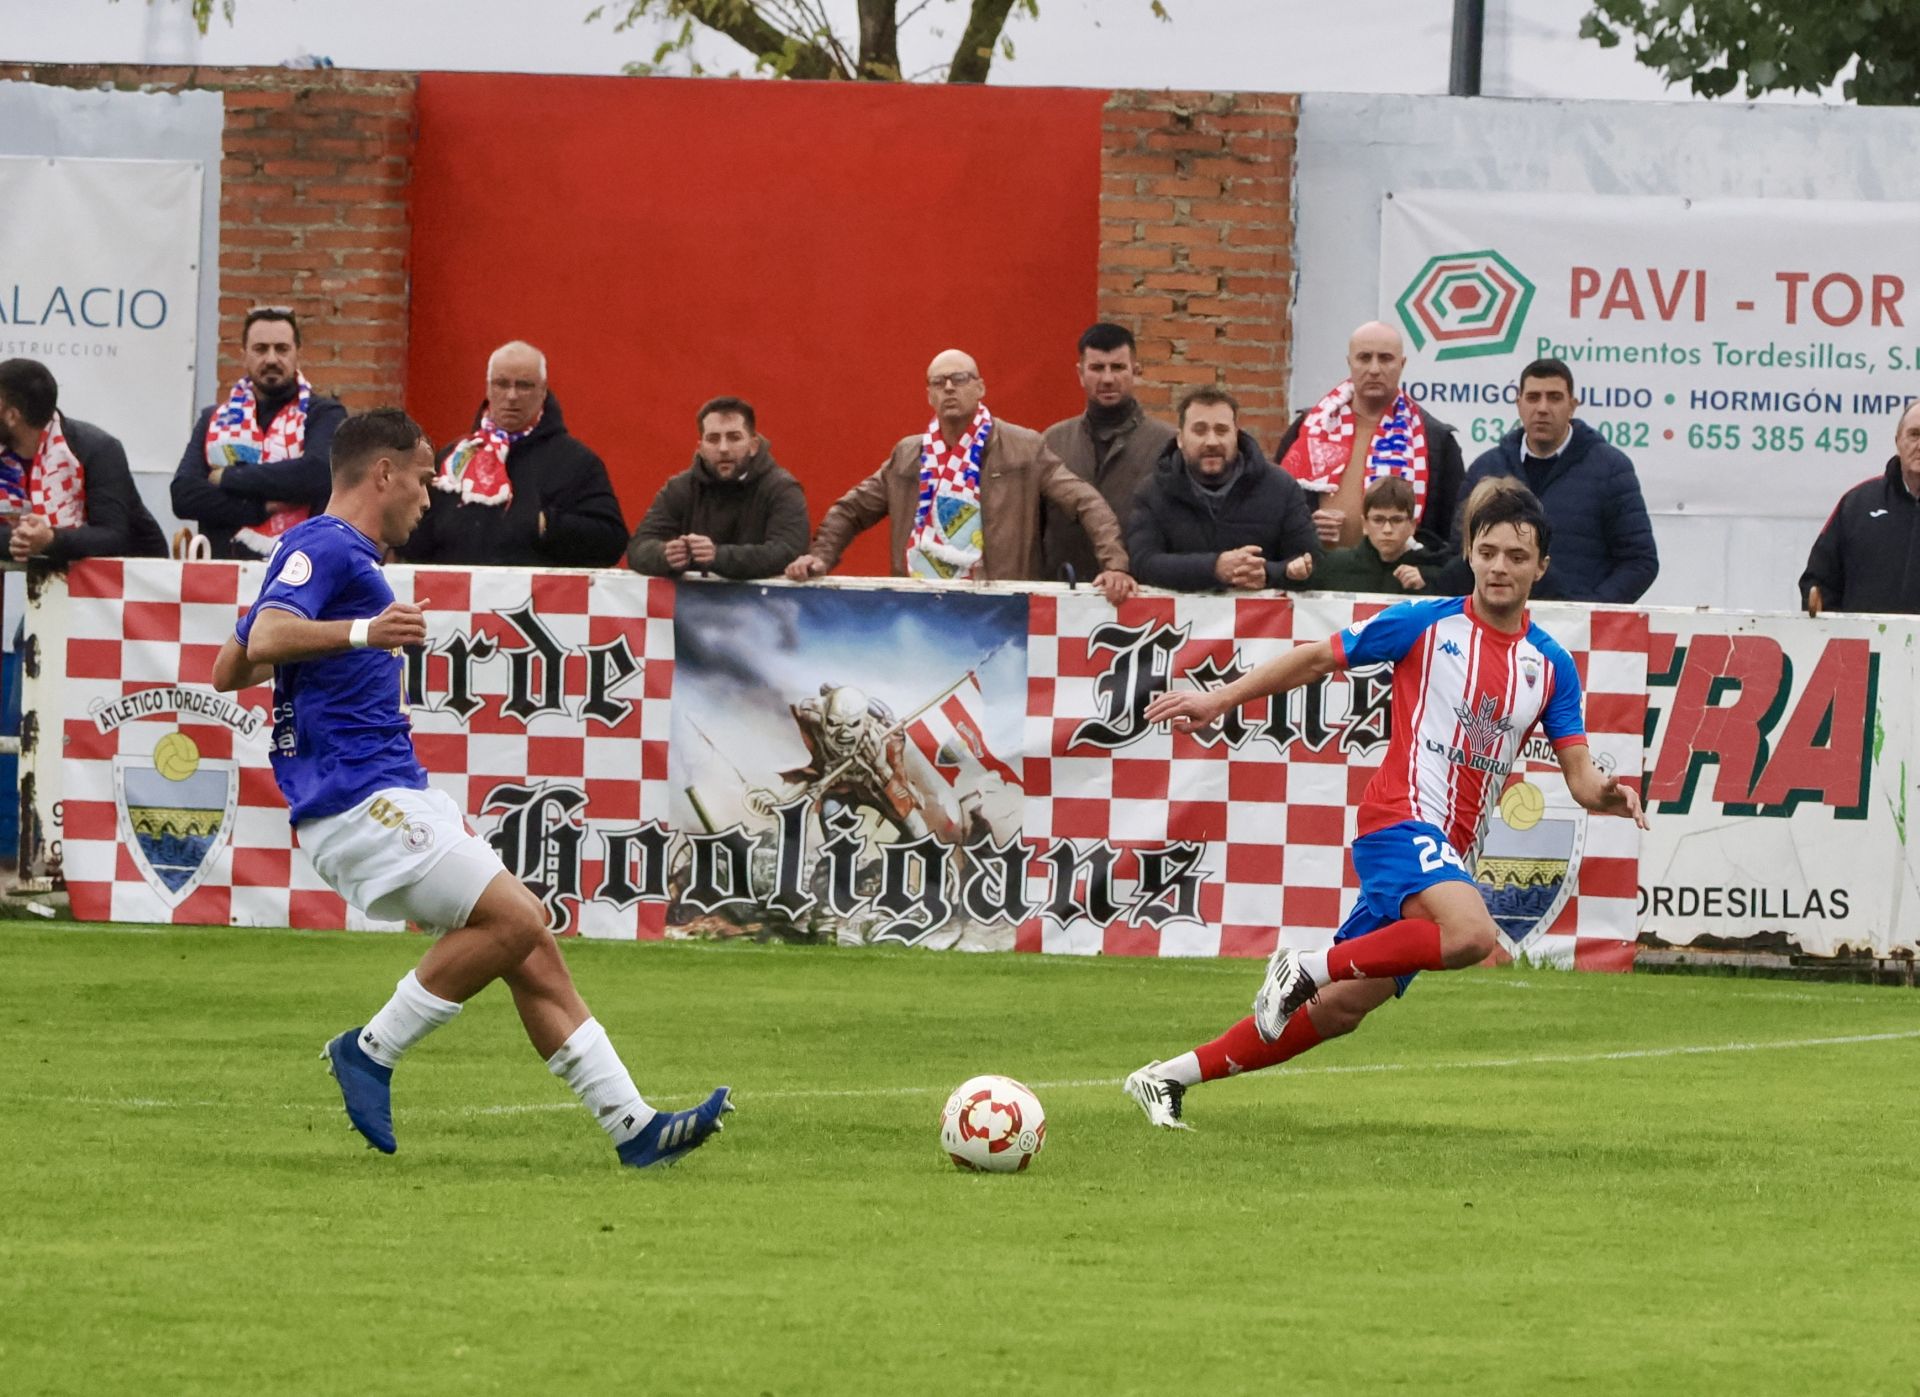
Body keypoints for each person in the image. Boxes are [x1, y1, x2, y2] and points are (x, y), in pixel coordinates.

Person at [209, 407, 730, 1168]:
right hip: (358, 796)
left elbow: (232, 666)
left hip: (384, 792)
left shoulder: (330, 553)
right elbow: (263, 641)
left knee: (531, 945)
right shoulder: (324, 544)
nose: (431, 497)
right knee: (519, 919)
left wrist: (326, 634)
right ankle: (370, 1048)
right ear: (382, 472)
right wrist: (365, 632)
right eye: (423, 478)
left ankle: (634, 1127)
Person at [1122, 485, 1647, 1129]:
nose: (1500, 567)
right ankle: (1303, 965)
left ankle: (1167, 1078)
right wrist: (1217, 699)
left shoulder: (1552, 665)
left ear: (1540, 567)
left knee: (1341, 1008)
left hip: (1449, 850)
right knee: (1470, 935)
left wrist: (1609, 794)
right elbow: (1315, 659)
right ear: (1469, 555)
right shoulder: (1424, 624)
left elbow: (1579, 777)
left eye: (1517, 555)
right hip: (1400, 818)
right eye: (1487, 552)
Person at [784, 349, 1136, 607]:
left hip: (1000, 606)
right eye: (939, 382)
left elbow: (1086, 501)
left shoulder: (1023, 447)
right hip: (922, 605)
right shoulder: (909, 455)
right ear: (929, 395)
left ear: (981, 387)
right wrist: (821, 556)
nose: (949, 387)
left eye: (960, 379)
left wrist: (1115, 565)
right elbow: (852, 510)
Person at [403, 341, 627, 567]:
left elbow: (611, 542)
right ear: (488, 388)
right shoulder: (453, 458)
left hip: (538, 600)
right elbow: (412, 542)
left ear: (543, 391)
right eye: (501, 384)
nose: (512, 396)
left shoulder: (578, 462)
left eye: (524, 386)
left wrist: (544, 524)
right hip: (454, 599)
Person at [1458, 357, 1659, 603]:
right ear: (1518, 403)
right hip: (1497, 627)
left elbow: (1640, 561)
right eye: (1533, 398)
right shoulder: (1486, 468)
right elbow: (1460, 551)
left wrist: (1589, 612)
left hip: (1578, 636)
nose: (1542, 408)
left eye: (1554, 397)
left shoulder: (1611, 469)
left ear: (1572, 405)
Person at [170, 306, 347, 559]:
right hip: (224, 575)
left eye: (282, 349)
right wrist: (259, 508)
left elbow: (317, 474)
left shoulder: (325, 414)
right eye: (261, 349)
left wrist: (228, 478)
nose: (272, 359)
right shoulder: (213, 419)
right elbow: (184, 495)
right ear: (244, 355)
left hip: (302, 571)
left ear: (298, 354)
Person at [1277, 320, 1465, 551]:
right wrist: (1304, 528)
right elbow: (1274, 509)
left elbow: (1451, 539)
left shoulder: (1436, 441)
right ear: (1350, 363)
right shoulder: (1307, 428)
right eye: (1364, 358)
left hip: (1401, 582)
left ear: (1402, 364)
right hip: (1314, 575)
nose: (1374, 369)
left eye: (1385, 358)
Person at [1125, 386, 1317, 592]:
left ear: (1236, 435)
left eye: (1221, 430)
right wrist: (1214, 568)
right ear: (1180, 439)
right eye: (1199, 430)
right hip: (1181, 622)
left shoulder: (1281, 487)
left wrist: (1268, 574)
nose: (1212, 442)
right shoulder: (1152, 492)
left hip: (1260, 622)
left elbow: (1311, 561)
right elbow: (1142, 563)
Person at [1040, 323, 1177, 583]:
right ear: (1080, 373)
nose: (1107, 379)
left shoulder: (1168, 445)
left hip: (1140, 602)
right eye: (1096, 368)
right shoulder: (1052, 442)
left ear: (1136, 371)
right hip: (1062, 600)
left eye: (1117, 367)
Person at [0, 357, 166, 565]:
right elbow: (21, 539)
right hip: (51, 580)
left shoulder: (98, 449)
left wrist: (51, 539)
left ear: (13, 416)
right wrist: (22, 540)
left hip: (127, 581)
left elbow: (112, 537)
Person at [627, 395, 809, 579]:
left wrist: (718, 556)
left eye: (734, 438)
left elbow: (789, 551)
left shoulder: (782, 488)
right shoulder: (679, 488)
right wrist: (664, 555)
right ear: (701, 447)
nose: (723, 448)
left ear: (754, 445)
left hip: (766, 606)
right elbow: (637, 548)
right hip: (690, 605)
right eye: (713, 439)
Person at [1799, 400, 1920, 616]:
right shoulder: (1858, 504)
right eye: (1914, 434)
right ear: (1898, 442)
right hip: (1869, 647)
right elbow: (1819, 583)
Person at [1300, 476, 1447, 595]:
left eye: (1396, 520)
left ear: (1412, 525)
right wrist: (1294, 571)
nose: (1387, 529)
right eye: (1378, 520)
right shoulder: (1334, 566)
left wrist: (1428, 583)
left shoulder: (1434, 571)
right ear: (1365, 524)